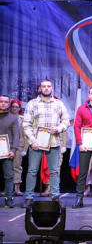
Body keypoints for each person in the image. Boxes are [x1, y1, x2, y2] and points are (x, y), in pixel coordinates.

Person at [22, 79, 70, 207]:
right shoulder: (32, 103)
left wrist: (58, 128)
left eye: (49, 86)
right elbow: (26, 124)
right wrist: (32, 141)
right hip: (36, 143)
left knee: (54, 171)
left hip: (53, 142)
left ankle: (55, 196)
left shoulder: (59, 104)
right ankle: (29, 197)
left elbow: (66, 121)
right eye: (44, 86)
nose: (46, 88)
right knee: (32, 170)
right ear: (40, 88)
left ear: (52, 88)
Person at [0, 95, 19, 208]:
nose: (3, 104)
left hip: (7, 151)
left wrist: (14, 150)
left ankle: (9, 198)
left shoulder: (13, 118)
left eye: (6, 102)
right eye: (1, 101)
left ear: (8, 104)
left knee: (9, 176)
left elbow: (16, 135)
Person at [10, 99, 28, 196]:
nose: (14, 108)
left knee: (17, 167)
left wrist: (25, 149)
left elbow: (26, 135)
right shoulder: (6, 117)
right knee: (8, 168)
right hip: (7, 145)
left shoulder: (22, 119)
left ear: (19, 108)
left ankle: (17, 188)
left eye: (16, 107)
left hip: (18, 146)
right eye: (13, 106)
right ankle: (8, 189)